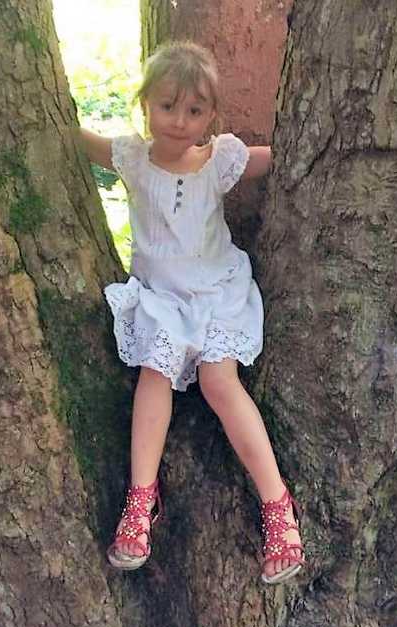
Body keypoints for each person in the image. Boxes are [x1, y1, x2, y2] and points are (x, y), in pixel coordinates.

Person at [78, 40, 304, 585]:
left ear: (211, 115)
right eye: (167, 105)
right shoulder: (131, 156)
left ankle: (278, 506)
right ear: (144, 104)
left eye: (195, 110)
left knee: (219, 382)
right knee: (154, 376)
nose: (179, 121)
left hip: (215, 289)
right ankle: (140, 500)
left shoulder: (219, 160)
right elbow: (80, 139)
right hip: (161, 295)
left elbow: (270, 159)